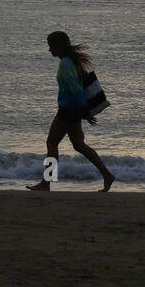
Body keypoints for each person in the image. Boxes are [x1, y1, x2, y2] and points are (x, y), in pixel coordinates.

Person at [27, 31, 115, 192]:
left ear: (58, 46)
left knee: (52, 143)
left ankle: (46, 183)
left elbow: (75, 90)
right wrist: (84, 112)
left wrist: (85, 112)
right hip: (73, 110)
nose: (49, 50)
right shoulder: (70, 62)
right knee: (79, 145)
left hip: (68, 110)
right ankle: (107, 175)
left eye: (51, 46)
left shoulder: (66, 64)